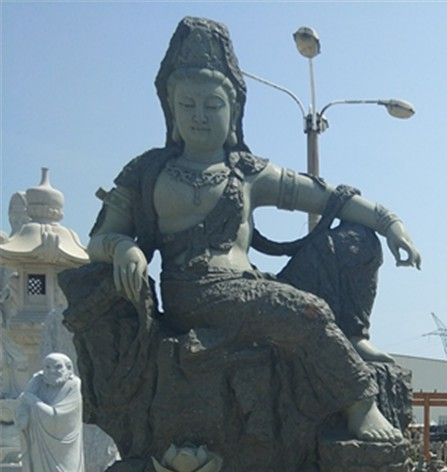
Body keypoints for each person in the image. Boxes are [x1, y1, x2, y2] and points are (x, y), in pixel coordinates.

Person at [87, 17, 421, 443]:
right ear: (171, 109)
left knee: (356, 241)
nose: (200, 116)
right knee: (307, 310)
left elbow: (325, 197)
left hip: (253, 286)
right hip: (195, 292)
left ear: (233, 112)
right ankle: (359, 403)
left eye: (212, 105)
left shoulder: (245, 170)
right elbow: (97, 239)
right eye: (188, 105)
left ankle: (353, 334)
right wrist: (122, 247)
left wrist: (390, 222)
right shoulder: (148, 171)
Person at [15, 353, 85, 472]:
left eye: (58, 367)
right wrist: (28, 400)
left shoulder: (73, 387)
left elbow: (57, 418)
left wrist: (33, 401)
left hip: (63, 454)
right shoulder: (38, 383)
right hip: (39, 449)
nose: (52, 371)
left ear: (69, 369)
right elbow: (22, 406)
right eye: (47, 367)